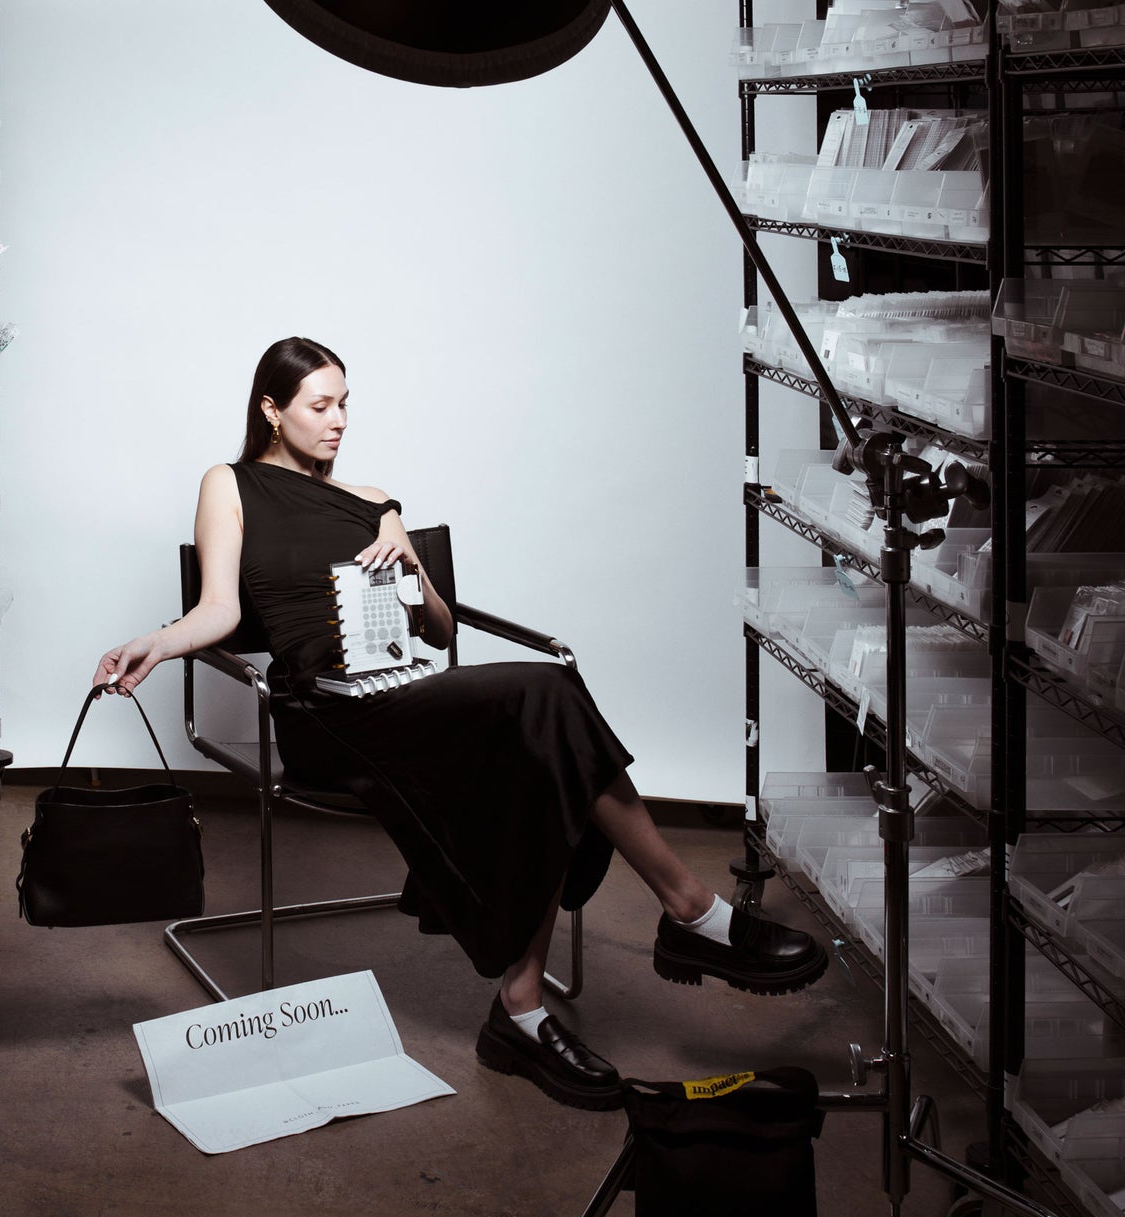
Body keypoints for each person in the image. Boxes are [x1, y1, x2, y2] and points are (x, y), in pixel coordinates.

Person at [92, 336, 825, 1113]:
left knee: (538, 736)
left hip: (401, 691)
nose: (339, 420)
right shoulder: (229, 485)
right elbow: (221, 610)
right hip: (322, 710)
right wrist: (155, 643)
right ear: (272, 410)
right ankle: (686, 912)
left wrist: (412, 569)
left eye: (345, 403)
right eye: (320, 405)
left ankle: (524, 1008)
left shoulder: (376, 500)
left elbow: (439, 634)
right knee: (545, 698)